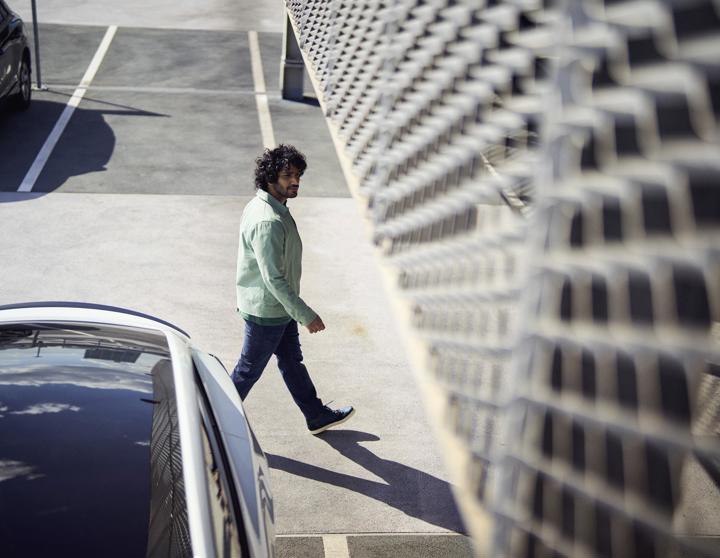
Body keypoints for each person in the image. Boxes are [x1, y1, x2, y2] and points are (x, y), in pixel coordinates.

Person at [231, 144, 355, 434]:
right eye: (288, 175)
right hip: (268, 311)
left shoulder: (270, 206)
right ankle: (208, 422)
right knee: (248, 371)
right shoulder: (268, 221)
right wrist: (305, 314)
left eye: (298, 175)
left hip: (277, 308)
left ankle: (315, 415)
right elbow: (273, 278)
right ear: (270, 177)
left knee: (291, 361)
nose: (295, 181)